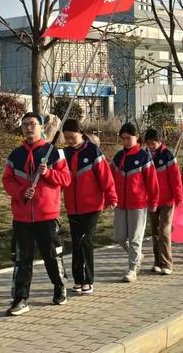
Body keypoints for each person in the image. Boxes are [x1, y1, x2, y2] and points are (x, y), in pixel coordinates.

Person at [2, 112, 71, 316]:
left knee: (52, 256)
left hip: (46, 216)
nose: (28, 128)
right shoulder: (15, 155)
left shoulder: (54, 153)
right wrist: (22, 192)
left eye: (32, 124)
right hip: (22, 217)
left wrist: (48, 173)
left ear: (42, 127)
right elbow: (7, 181)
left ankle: (60, 287)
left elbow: (66, 179)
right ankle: (20, 298)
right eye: (25, 125)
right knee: (22, 259)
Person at [62, 119, 117, 295]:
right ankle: (78, 279)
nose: (70, 141)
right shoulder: (64, 153)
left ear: (81, 133)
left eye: (73, 137)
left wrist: (111, 197)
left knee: (85, 241)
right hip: (73, 206)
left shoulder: (93, 151)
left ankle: (88, 280)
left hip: (92, 205)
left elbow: (105, 176)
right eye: (67, 138)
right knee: (76, 243)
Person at [111, 123, 159, 282]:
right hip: (120, 203)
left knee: (135, 238)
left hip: (138, 204)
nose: (125, 141)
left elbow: (152, 182)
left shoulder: (144, 157)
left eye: (128, 138)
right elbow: (110, 179)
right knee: (119, 237)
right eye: (123, 138)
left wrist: (154, 200)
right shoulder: (118, 157)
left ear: (137, 137)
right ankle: (137, 255)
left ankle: (132, 269)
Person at [144, 128, 183, 275]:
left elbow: (175, 178)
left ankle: (167, 263)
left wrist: (179, 197)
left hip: (167, 200)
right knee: (154, 231)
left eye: (153, 143)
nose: (151, 146)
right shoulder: (145, 156)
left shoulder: (168, 155)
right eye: (149, 144)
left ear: (160, 141)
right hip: (152, 200)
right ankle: (157, 262)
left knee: (164, 231)